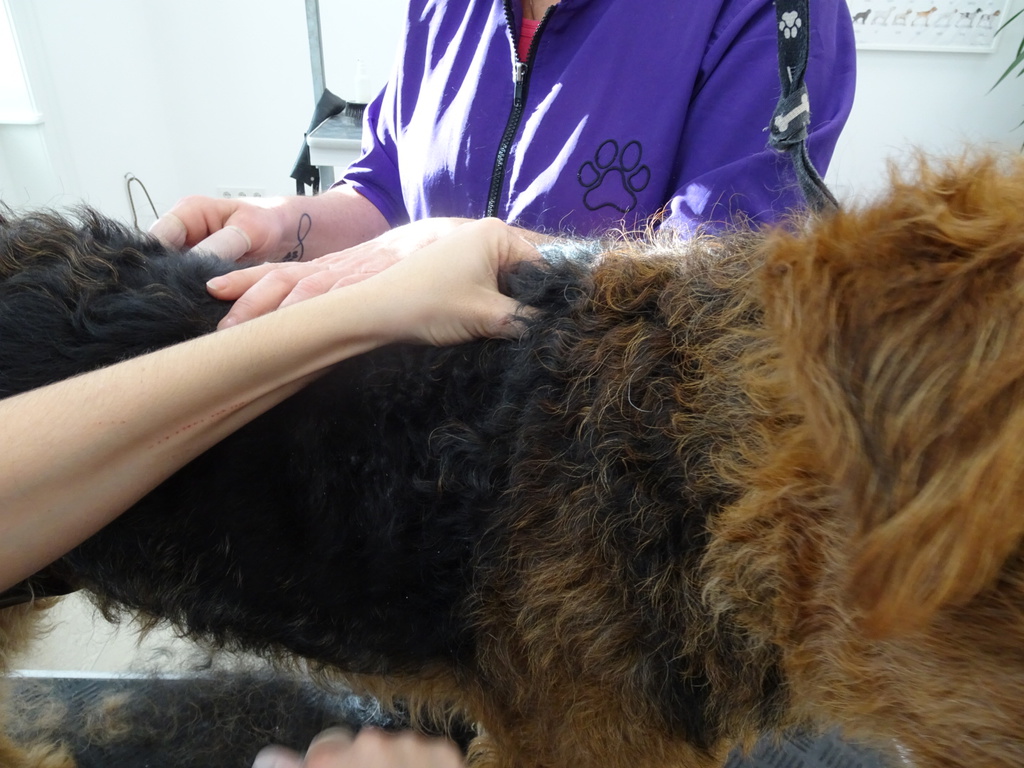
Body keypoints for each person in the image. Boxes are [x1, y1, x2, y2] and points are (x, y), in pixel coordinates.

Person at [149, 0, 856, 328]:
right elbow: (389, 188)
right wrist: (286, 224)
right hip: (411, 445)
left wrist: (492, 251)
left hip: (589, 479)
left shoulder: (769, 11)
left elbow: (719, 283)